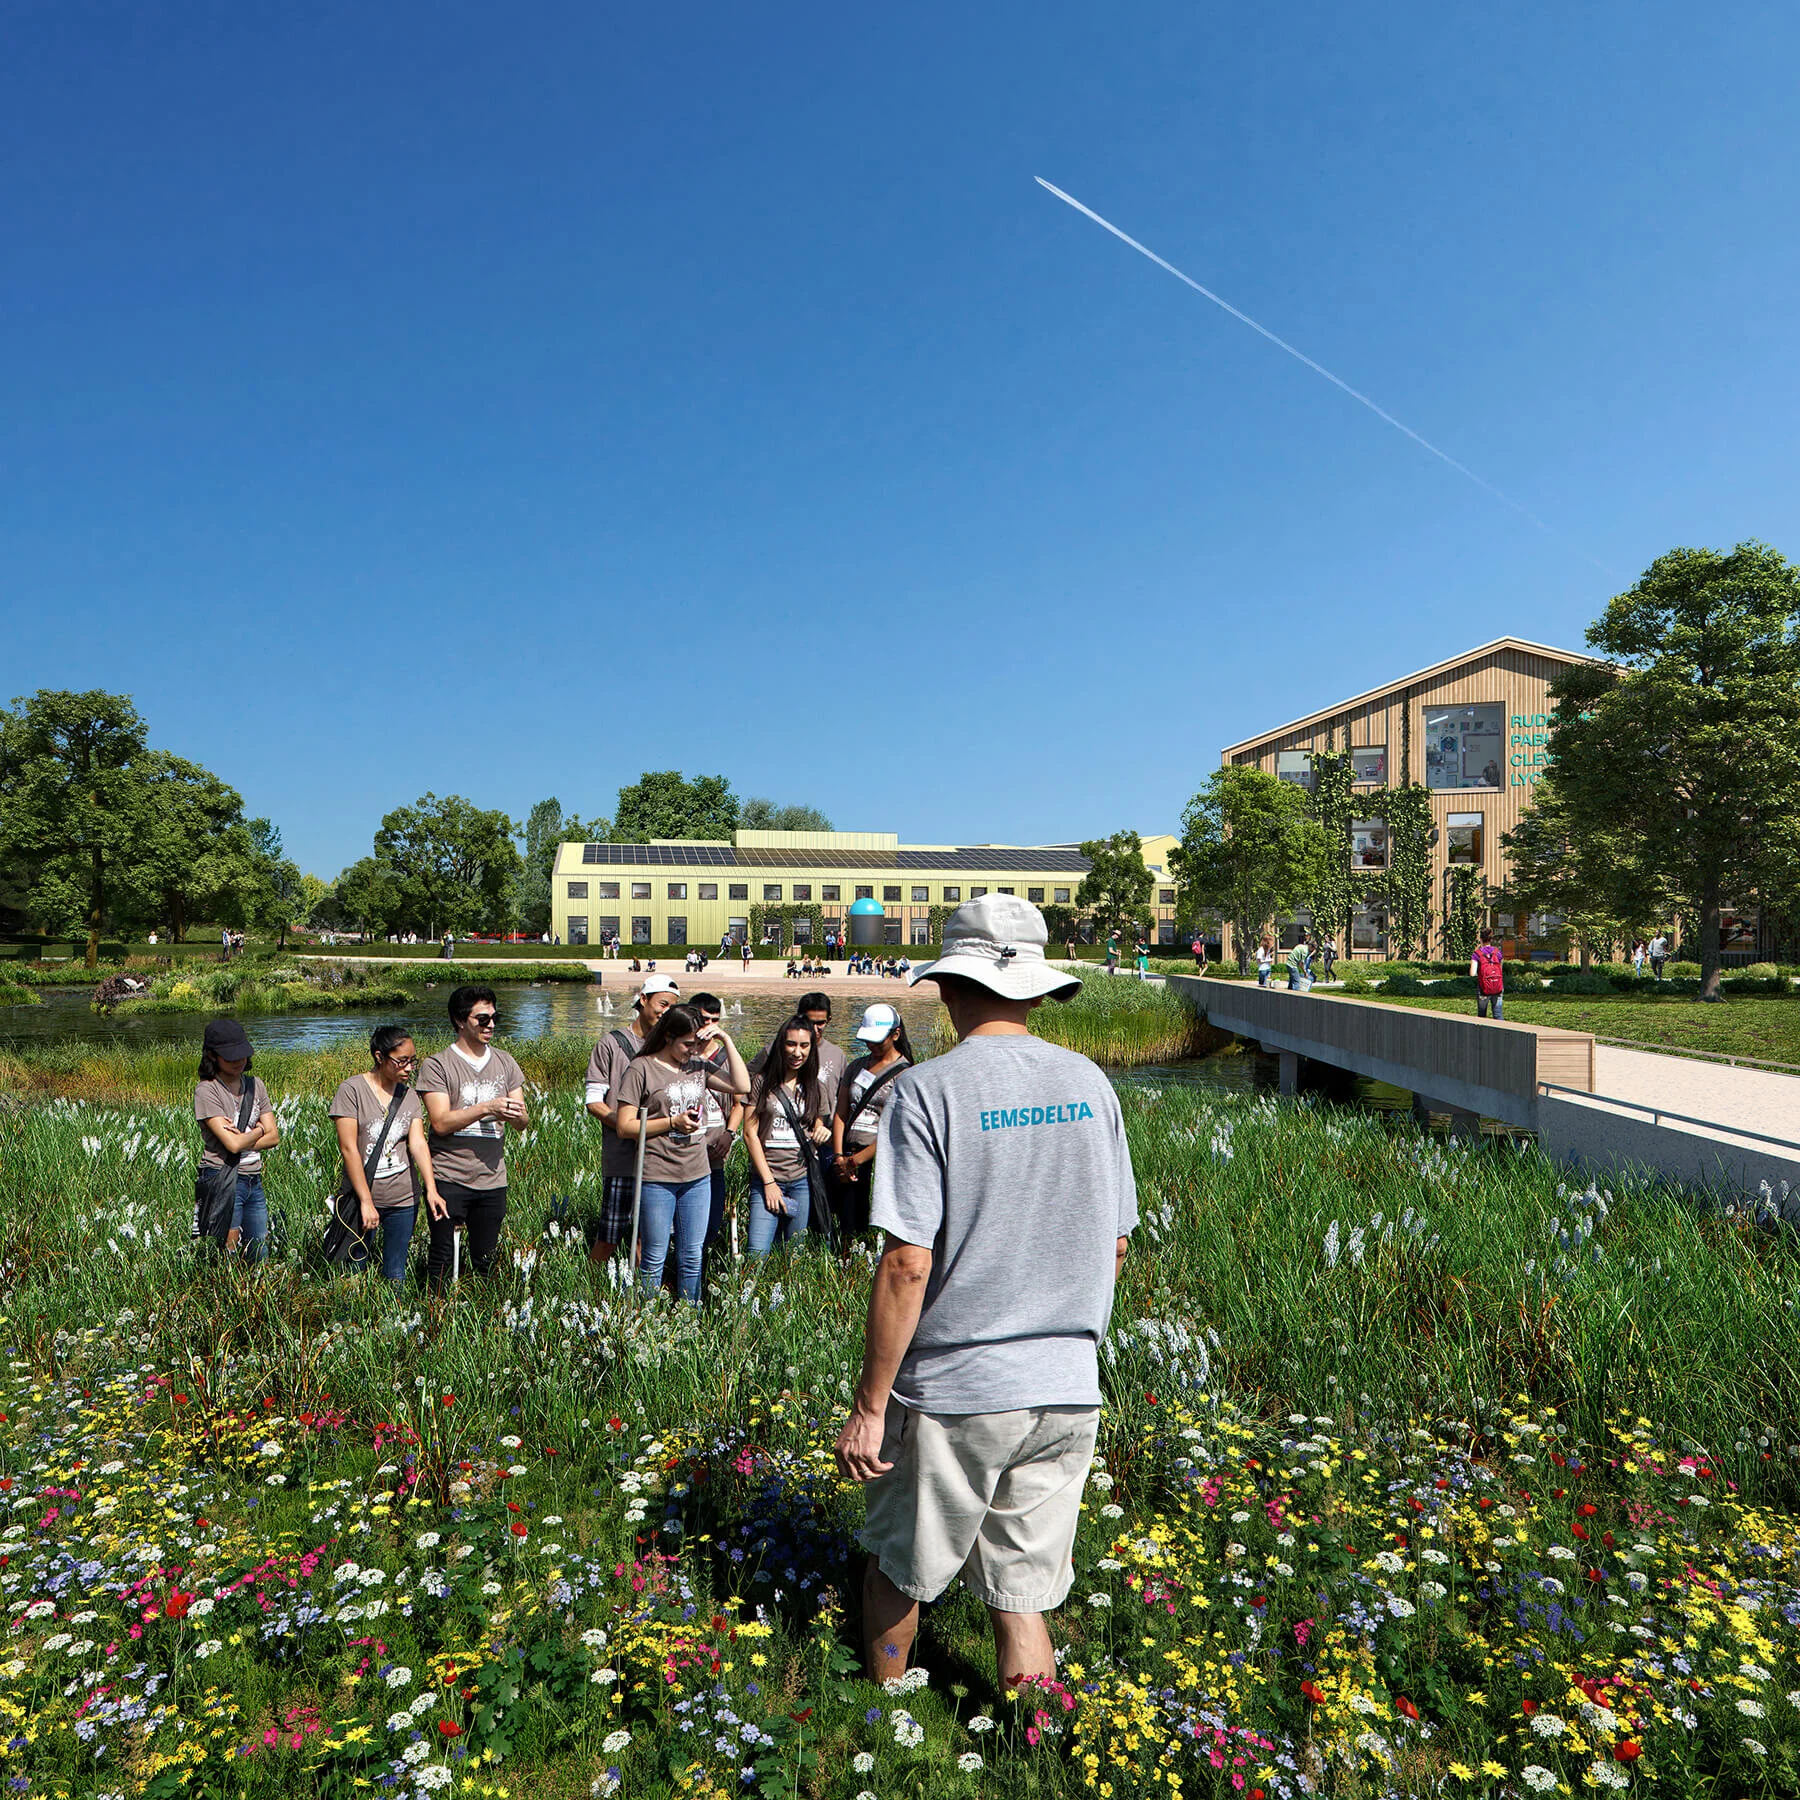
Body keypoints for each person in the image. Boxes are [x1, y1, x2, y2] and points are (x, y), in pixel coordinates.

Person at [834, 895, 1136, 1689]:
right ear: (1036, 991)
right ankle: (1032, 1749)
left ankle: (887, 1718)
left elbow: (907, 1264)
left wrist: (870, 1407)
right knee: (1022, 1593)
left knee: (902, 1567)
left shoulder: (927, 1092)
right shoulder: (1090, 1083)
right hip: (1068, 1383)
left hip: (958, 1388)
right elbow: (1114, 1243)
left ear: (948, 987)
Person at [615, 1003, 750, 1299]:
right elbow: (625, 1126)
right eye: (687, 1044)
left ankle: (691, 1318)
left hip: (698, 1175)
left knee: (692, 1256)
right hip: (656, 1176)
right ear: (667, 1037)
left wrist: (726, 1039)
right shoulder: (642, 1068)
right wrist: (672, 1122)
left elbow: (742, 1084)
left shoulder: (699, 1066)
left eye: (698, 1043)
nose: (693, 1050)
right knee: (654, 1256)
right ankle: (647, 1319)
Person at [417, 985, 528, 1292]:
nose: (490, 1025)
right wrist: (486, 1107)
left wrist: (513, 1115)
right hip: (449, 1177)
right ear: (460, 1021)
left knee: (486, 1258)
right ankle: (436, 1316)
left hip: (493, 1178)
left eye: (495, 1018)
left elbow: (523, 1121)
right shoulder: (437, 1065)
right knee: (442, 1256)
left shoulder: (506, 1062)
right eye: (482, 1019)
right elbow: (440, 1123)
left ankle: (483, 1316)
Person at [330, 1024, 447, 1287]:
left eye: (412, 1061)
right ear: (379, 1057)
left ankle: (393, 1322)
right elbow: (349, 1149)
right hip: (363, 1196)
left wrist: (431, 1189)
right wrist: (365, 1201)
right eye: (402, 1061)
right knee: (354, 1271)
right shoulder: (351, 1091)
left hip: (403, 1198)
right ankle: (353, 1322)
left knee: (396, 1271)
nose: (409, 1068)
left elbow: (418, 1143)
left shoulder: (408, 1095)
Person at [584, 974, 682, 1264]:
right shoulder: (612, 1044)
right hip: (622, 1157)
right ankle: (591, 1287)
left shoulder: (671, 1047)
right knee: (610, 1235)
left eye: (672, 1008)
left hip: (663, 1159)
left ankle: (642, 1293)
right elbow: (593, 1102)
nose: (665, 1012)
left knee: (652, 1236)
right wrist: (628, 1127)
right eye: (662, 1004)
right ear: (643, 1000)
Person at [742, 1016, 830, 1257]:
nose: (797, 1052)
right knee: (756, 1252)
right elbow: (750, 1133)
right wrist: (769, 1182)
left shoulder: (814, 1085)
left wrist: (822, 1130)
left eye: (804, 1046)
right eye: (791, 1044)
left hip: (801, 1179)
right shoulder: (762, 1082)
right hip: (768, 1179)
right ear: (781, 1045)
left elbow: (817, 1121)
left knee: (793, 1254)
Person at [193, 1018, 280, 1259]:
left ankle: (253, 1294)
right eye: (230, 1058)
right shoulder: (207, 1090)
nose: (239, 1062)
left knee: (258, 1249)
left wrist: (248, 1136)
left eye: (241, 1055)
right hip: (222, 1178)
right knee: (227, 1252)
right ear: (213, 1056)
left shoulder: (255, 1085)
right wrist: (259, 1130)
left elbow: (275, 1137)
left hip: (253, 1178)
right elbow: (232, 1144)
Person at [829, 1001, 913, 1243]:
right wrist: (839, 1158)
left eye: (878, 1040)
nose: (871, 1046)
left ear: (895, 1034)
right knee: (846, 1226)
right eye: (868, 1040)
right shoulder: (856, 1066)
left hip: (877, 1161)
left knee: (870, 1228)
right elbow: (841, 1113)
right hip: (847, 1157)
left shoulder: (906, 1074)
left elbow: (897, 1129)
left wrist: (858, 1160)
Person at [1471, 927, 1506, 1019]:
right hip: (1498, 986)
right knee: (1498, 1014)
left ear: (1481, 939)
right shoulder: (1497, 952)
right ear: (1491, 939)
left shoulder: (1477, 954)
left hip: (1484, 988)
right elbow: (1500, 969)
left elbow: (1472, 972)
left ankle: (1482, 1033)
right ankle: (1501, 1032)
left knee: (1482, 1016)